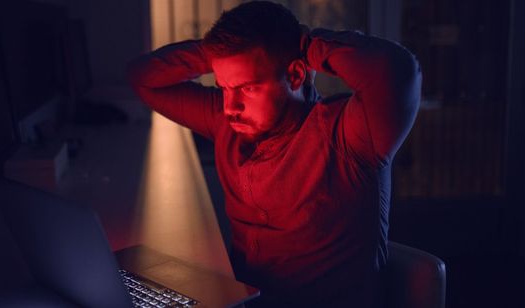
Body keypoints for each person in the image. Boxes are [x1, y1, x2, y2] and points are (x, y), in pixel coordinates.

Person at [127, 1, 421, 307]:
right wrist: (213, 53)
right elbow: (141, 77)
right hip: (242, 302)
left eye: (247, 88)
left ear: (295, 75)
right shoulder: (228, 121)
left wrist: (305, 44)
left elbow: (398, 70)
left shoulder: (348, 136)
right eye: (224, 87)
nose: (231, 107)